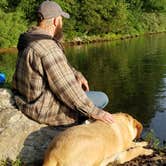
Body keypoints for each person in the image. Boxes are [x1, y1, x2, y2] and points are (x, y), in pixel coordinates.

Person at [12, 0, 114, 126]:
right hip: (43, 110)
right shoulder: (48, 48)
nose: (62, 23)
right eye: (61, 20)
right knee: (102, 98)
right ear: (56, 21)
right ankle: (80, 126)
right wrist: (95, 112)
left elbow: (55, 66)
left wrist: (76, 73)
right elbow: (66, 88)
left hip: (27, 101)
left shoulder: (29, 39)